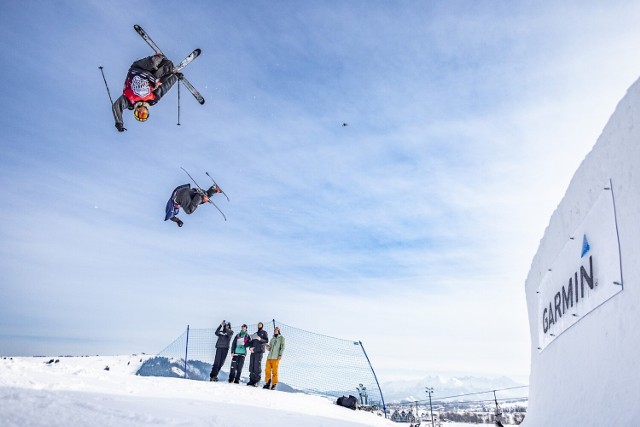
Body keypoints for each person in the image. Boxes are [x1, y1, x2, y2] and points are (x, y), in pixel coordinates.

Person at [112, 53, 183, 132]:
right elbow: (164, 88)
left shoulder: (129, 101)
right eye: (144, 115)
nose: (141, 112)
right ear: (147, 112)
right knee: (167, 68)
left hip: (138, 68)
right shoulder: (152, 100)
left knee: (152, 64)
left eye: (138, 114)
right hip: (152, 77)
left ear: (136, 111)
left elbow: (116, 106)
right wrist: (175, 77)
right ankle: (167, 66)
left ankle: (158, 58)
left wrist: (119, 123)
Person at [246, 322, 269, 387]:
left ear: (262, 325)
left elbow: (266, 340)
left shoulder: (264, 332)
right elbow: (251, 342)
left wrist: (260, 339)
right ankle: (251, 380)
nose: (259, 325)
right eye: (258, 324)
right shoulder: (255, 334)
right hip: (253, 352)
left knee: (257, 366)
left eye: (260, 324)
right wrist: (250, 348)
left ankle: (257, 381)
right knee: (252, 365)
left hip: (259, 351)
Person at [263, 326, 285, 390]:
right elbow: (270, 348)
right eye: (275, 329)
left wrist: (280, 355)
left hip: (276, 357)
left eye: (277, 329)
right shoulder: (272, 339)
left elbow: (282, 347)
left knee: (275, 371)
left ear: (279, 330)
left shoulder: (281, 338)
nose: (275, 330)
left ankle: (274, 384)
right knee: (267, 370)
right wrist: (268, 347)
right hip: (269, 357)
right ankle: (267, 383)